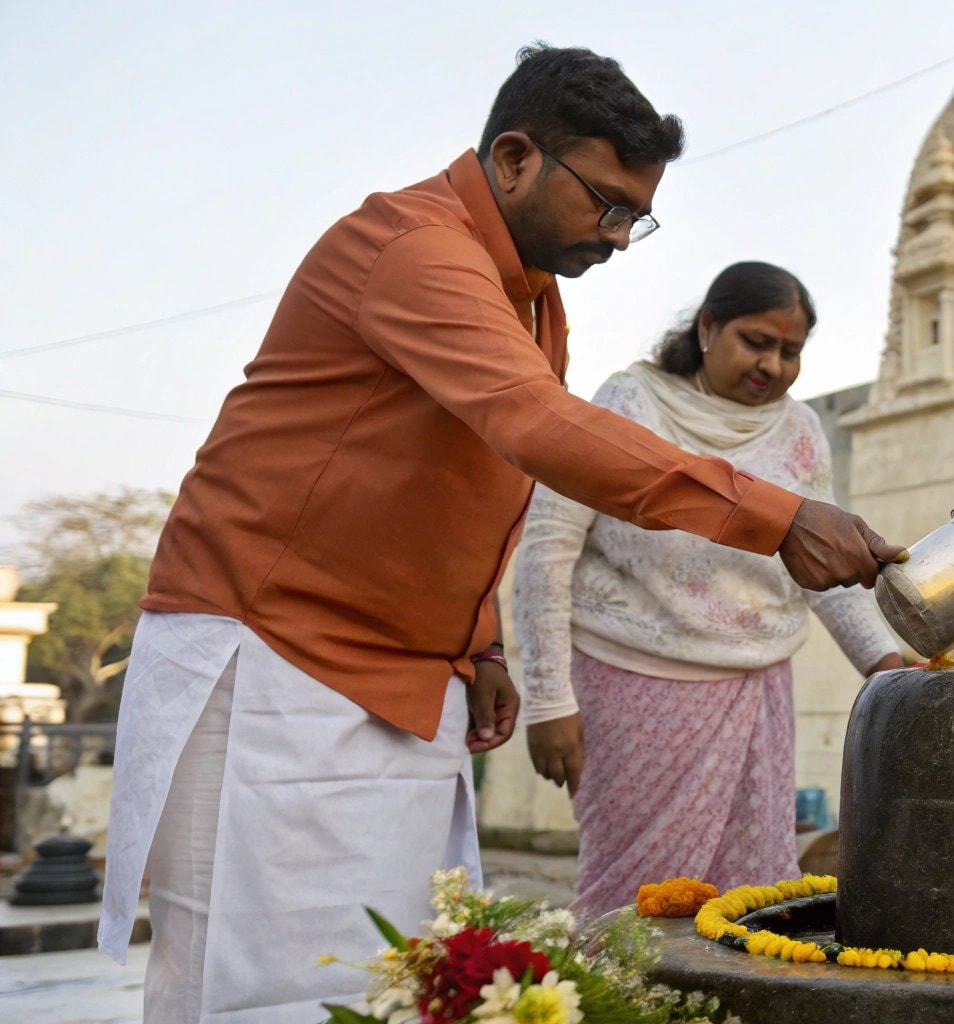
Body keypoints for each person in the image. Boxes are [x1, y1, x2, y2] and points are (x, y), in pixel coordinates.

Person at [100, 48, 902, 1022]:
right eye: (606, 203)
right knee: (256, 979)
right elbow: (534, 428)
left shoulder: (531, 295)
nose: (619, 235)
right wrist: (777, 518)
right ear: (516, 157)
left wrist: (476, 636)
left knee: (385, 973)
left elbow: (483, 483)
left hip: (405, 674)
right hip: (272, 654)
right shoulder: (416, 246)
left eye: (635, 216)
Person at [513, 262, 904, 918]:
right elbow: (548, 546)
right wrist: (549, 699)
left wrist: (889, 669)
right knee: (637, 901)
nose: (773, 366)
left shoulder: (801, 431)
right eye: (756, 342)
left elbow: (820, 569)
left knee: (754, 900)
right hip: (636, 686)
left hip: (759, 692)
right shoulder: (631, 403)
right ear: (706, 327)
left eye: (791, 352)